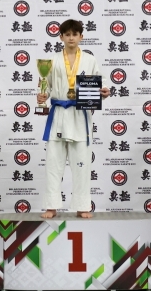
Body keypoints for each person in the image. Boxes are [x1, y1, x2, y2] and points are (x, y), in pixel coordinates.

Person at [37, 19, 110, 218]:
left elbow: (101, 84)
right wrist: (42, 95)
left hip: (80, 115)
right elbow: (46, 85)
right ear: (61, 37)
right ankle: (51, 206)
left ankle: (82, 205)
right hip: (59, 114)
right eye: (67, 34)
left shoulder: (89, 60)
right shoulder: (52, 61)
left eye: (75, 34)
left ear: (81, 37)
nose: (71, 38)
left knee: (82, 163)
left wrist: (104, 92)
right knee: (53, 163)